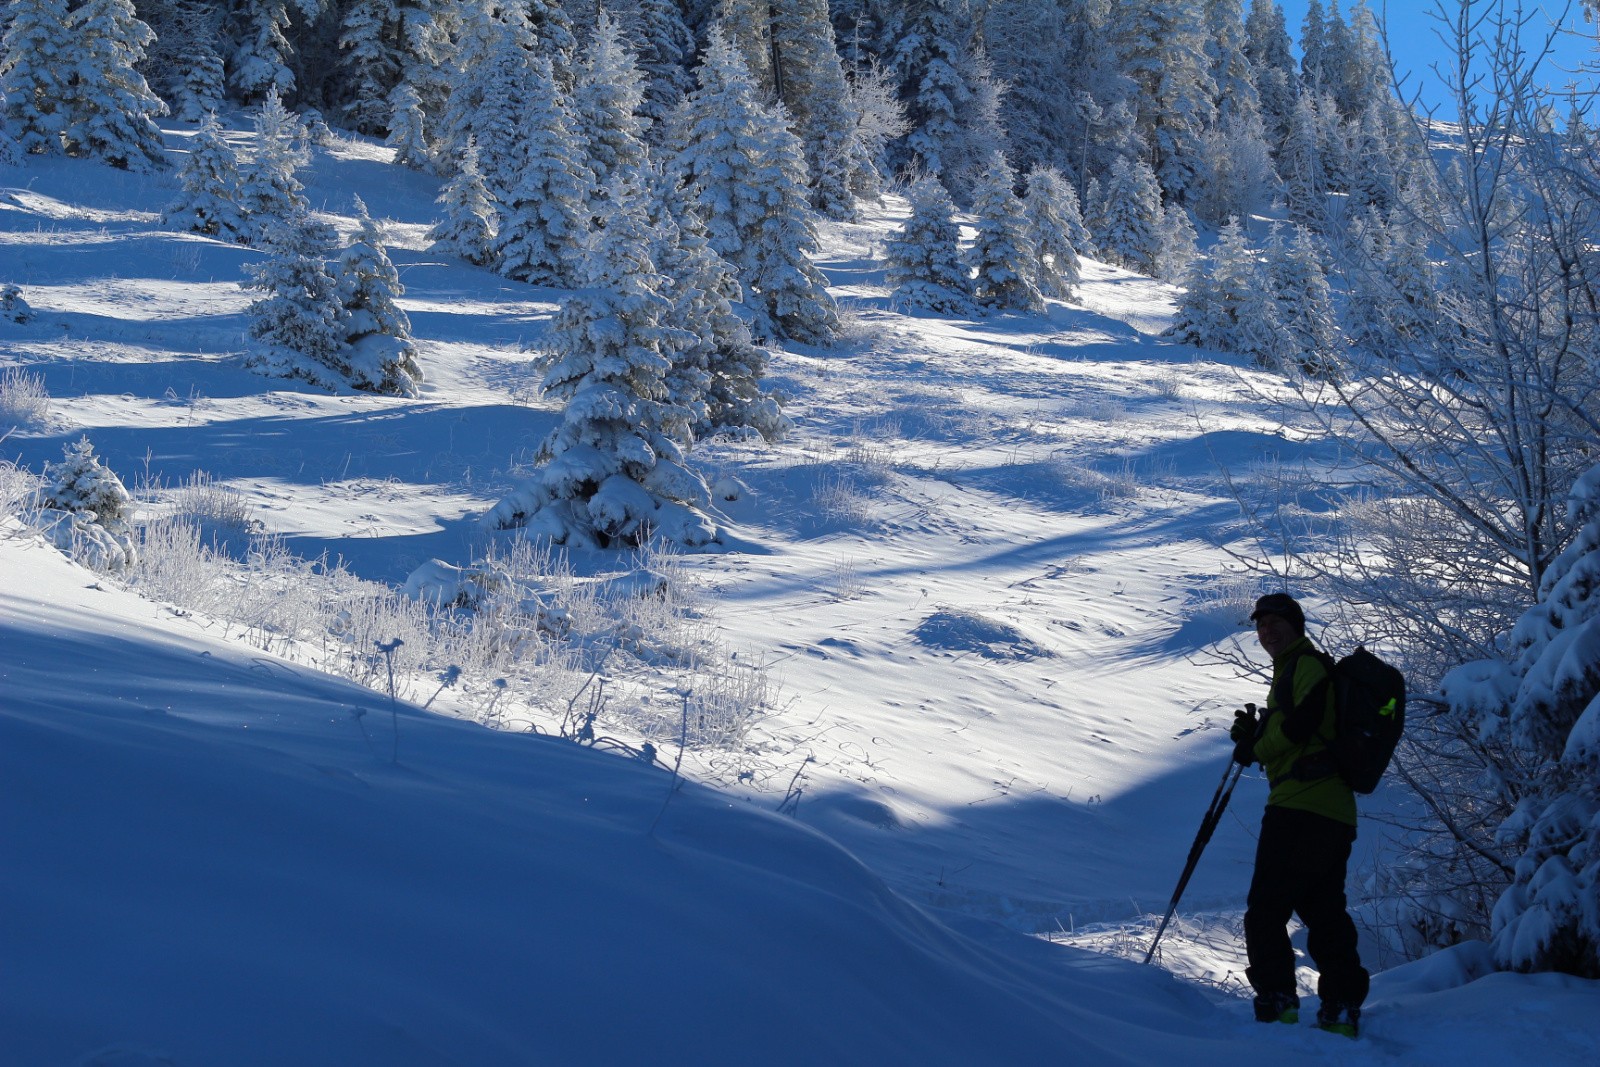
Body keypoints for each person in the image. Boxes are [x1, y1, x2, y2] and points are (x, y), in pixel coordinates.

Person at [1228, 592, 1369, 1038]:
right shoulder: (1294, 671)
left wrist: (1257, 746)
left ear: (1296, 625)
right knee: (1323, 909)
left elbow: (1303, 723)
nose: (1266, 632)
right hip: (1331, 812)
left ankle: (1278, 1004)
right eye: (1261, 625)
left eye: (1275, 623)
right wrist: (1256, 734)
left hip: (1300, 809)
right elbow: (1300, 727)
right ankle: (1341, 1009)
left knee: (1266, 909)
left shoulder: (1305, 666)